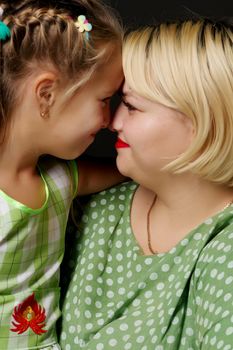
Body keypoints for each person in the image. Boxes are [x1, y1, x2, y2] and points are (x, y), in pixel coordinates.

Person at [60, 18, 233, 349]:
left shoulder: (225, 252)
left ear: (203, 122)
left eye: (131, 105)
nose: (112, 122)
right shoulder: (100, 207)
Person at [0, 0, 125, 348]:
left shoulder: (59, 180)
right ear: (47, 94)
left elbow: (123, 173)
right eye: (104, 99)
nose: (109, 121)